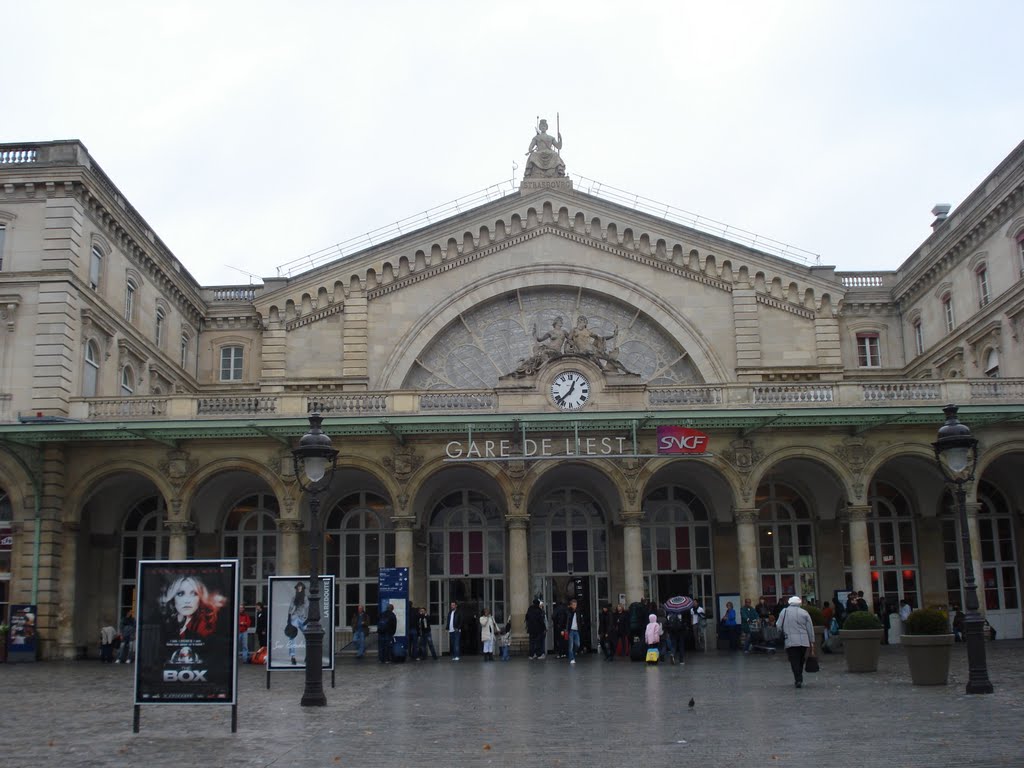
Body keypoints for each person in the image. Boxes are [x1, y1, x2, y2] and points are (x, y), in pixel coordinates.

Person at [778, 596, 815, 688]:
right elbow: (810, 628)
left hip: (790, 640)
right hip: (803, 641)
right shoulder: (804, 612)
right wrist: (812, 641)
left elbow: (778, 625)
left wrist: (782, 631)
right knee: (801, 659)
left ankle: (798, 679)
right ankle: (799, 676)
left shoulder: (784, 611)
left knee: (793, 660)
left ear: (790, 602)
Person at [287, 582, 309, 665]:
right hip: (295, 617)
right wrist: (288, 619)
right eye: (298, 587)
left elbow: (307, 609)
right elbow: (290, 608)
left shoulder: (305, 598)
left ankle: (307, 656)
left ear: (303, 589)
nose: (299, 589)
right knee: (291, 636)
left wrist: (307, 619)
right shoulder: (294, 598)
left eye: (300, 587)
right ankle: (292, 656)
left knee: (308, 637)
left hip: (303, 618)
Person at [565, 599, 582, 664]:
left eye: (576, 605)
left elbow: (580, 621)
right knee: (571, 645)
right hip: (571, 630)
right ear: (571, 605)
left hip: (577, 630)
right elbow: (566, 621)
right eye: (574, 605)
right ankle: (571, 658)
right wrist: (565, 629)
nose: (575, 606)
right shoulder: (568, 612)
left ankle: (573, 654)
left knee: (577, 644)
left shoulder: (578, 612)